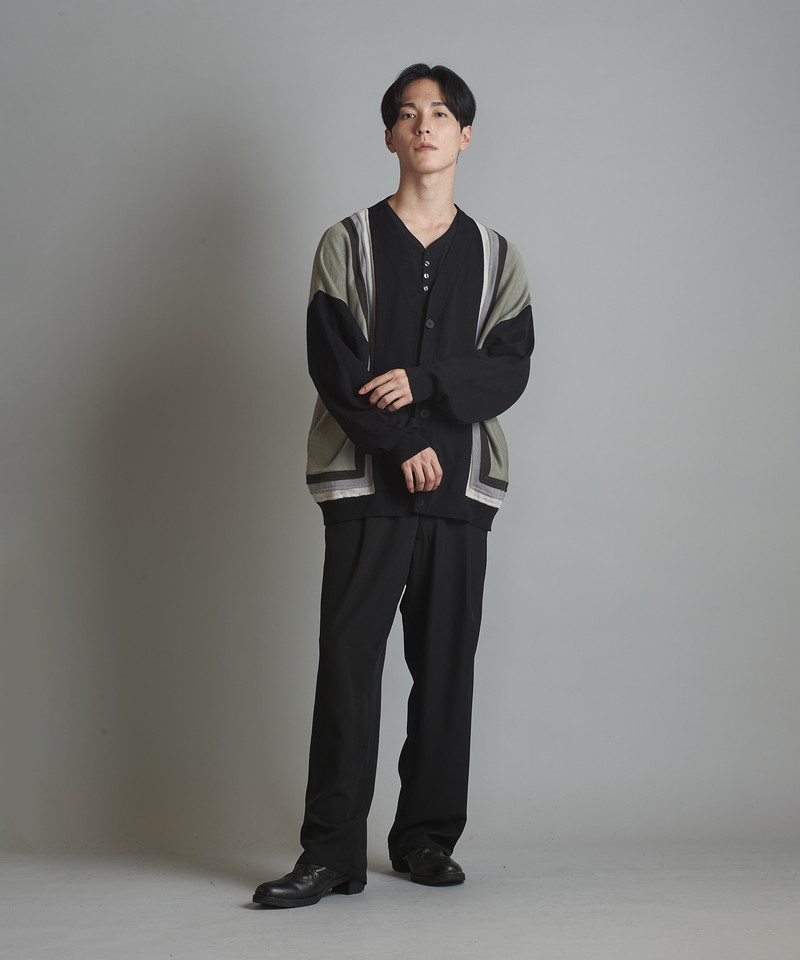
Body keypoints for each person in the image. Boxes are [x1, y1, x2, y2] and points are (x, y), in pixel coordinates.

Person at [253, 63, 534, 908]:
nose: (425, 126)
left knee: (445, 670)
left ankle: (424, 841)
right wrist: (402, 441)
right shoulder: (345, 242)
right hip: (366, 485)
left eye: (441, 114)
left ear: (465, 135)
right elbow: (333, 361)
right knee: (348, 667)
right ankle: (330, 854)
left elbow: (510, 367)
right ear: (389, 135)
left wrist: (426, 383)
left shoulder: (497, 256)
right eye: (408, 114)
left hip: (461, 492)